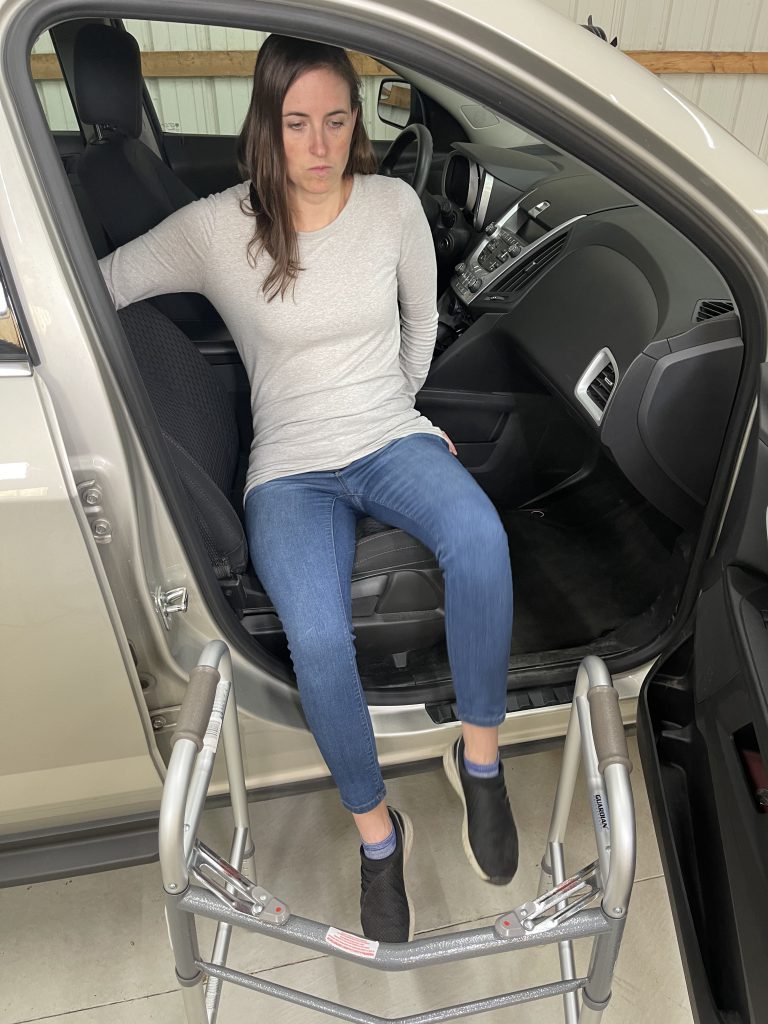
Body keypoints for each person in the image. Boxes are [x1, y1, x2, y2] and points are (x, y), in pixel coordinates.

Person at [99, 32, 518, 944]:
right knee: (320, 641)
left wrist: (404, 409)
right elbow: (99, 286)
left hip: (387, 434)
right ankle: (379, 840)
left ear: (356, 121)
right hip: (288, 466)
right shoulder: (218, 227)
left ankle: (478, 763)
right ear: (268, 125)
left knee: (481, 539)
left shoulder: (394, 204)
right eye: (298, 123)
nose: (321, 144)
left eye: (337, 119)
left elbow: (422, 318)